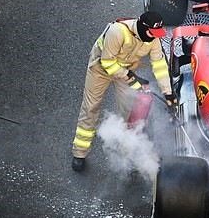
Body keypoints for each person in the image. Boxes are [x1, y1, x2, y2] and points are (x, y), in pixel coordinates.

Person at [71, 11, 178, 172]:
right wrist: (129, 76)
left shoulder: (153, 39)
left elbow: (159, 65)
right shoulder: (118, 31)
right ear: (142, 27)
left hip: (127, 69)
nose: (154, 37)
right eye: (152, 32)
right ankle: (80, 153)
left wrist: (168, 93)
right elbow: (108, 62)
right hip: (100, 68)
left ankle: (127, 153)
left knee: (131, 112)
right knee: (91, 107)